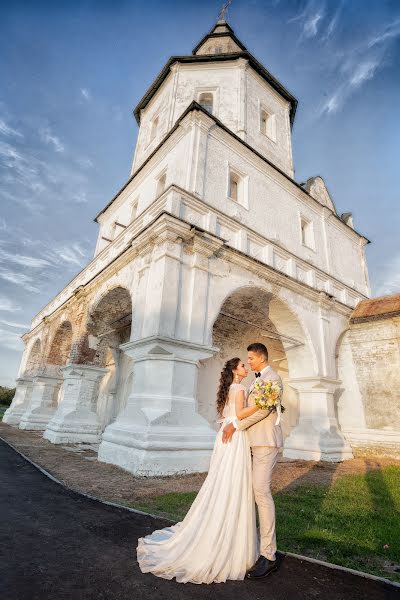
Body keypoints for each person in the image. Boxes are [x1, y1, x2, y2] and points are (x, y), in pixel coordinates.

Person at [136, 357, 261, 584]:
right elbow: (241, 415)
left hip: (225, 436)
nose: (246, 368)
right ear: (235, 371)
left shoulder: (227, 389)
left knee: (222, 480)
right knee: (233, 481)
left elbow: (225, 416)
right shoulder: (240, 388)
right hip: (235, 437)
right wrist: (262, 404)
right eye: (242, 365)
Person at [222, 342, 284, 579]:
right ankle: (246, 544)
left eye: (250, 358)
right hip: (250, 442)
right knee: (247, 492)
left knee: (261, 492)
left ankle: (269, 556)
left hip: (266, 442)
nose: (248, 362)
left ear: (260, 357)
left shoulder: (273, 379)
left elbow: (264, 411)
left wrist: (235, 425)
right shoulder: (257, 380)